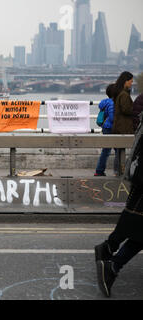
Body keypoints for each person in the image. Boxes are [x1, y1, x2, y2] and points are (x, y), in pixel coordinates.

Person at [94, 108, 143, 298]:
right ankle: (112, 263)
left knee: (135, 224)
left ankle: (109, 250)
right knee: (137, 226)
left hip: (139, 178)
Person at [111, 71, 134, 175]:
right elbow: (126, 110)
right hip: (123, 126)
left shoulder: (119, 93)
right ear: (126, 81)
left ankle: (118, 171)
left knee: (119, 150)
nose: (132, 83)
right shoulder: (124, 94)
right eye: (131, 81)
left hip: (118, 125)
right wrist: (134, 110)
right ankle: (119, 171)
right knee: (120, 150)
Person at [95, 84, 117, 176]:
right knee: (119, 150)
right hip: (111, 128)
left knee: (106, 151)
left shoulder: (105, 102)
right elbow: (112, 117)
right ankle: (118, 171)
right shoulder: (112, 103)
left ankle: (99, 171)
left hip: (105, 128)